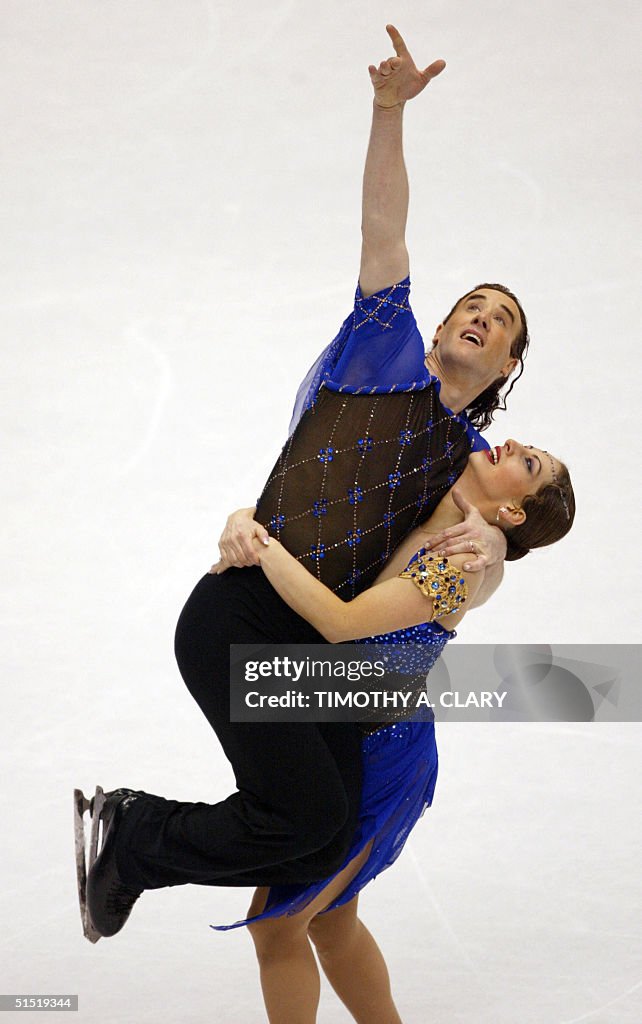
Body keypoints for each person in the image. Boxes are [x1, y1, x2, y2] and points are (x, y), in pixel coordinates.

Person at [79, 25, 533, 948]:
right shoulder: (381, 353)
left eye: (501, 322)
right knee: (303, 819)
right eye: (472, 306)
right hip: (243, 611)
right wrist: (388, 112)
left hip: (316, 650)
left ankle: (139, 837)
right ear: (437, 325)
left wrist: (493, 542)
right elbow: (383, 227)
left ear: (507, 366)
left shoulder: (469, 461)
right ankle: (135, 834)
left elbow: (500, 538)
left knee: (319, 835)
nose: (481, 318)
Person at [211, 439, 575, 1024]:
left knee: (278, 925)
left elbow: (341, 623)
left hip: (384, 754)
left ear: (513, 511)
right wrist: (246, 515)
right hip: (343, 729)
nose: (509, 445)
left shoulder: (461, 561)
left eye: (527, 463)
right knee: (332, 921)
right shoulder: (439, 493)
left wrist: (260, 543)